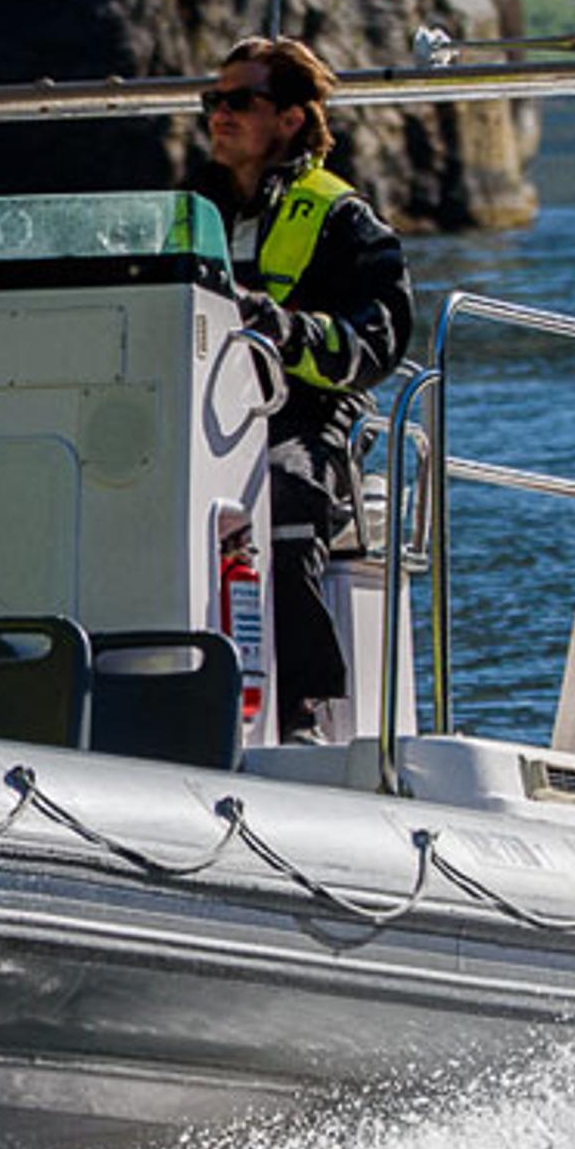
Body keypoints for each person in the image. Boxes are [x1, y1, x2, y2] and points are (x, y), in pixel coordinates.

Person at [201, 36, 413, 739]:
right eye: (213, 100)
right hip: (190, 407)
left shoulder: (342, 218)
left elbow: (380, 341)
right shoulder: (184, 208)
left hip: (303, 418)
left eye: (240, 101)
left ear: (291, 119)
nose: (219, 114)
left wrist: (290, 331)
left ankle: (297, 710)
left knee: (281, 498)